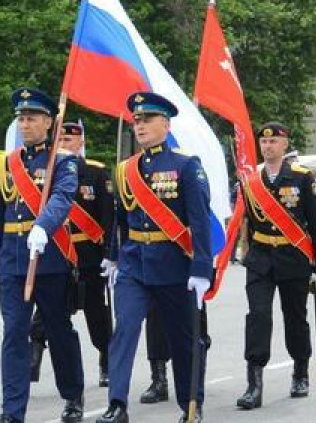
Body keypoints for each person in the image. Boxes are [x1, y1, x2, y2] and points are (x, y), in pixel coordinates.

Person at [97, 92, 211, 423]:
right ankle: (117, 404)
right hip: (134, 264)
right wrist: (113, 257)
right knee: (124, 330)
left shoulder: (186, 166)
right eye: (136, 120)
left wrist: (202, 269)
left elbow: (200, 221)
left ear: (166, 123)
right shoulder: (124, 170)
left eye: (147, 120)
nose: (140, 125)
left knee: (183, 338)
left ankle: (191, 404)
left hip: (175, 265)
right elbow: (121, 219)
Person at [0, 89, 83, 423]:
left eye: (32, 118)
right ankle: (12, 410)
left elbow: (62, 197)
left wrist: (43, 226)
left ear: (49, 122)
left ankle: (73, 395)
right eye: (21, 118)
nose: (25, 124)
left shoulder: (62, 161)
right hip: (13, 260)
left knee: (58, 329)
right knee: (14, 332)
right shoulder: (9, 163)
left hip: (49, 260)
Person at [235, 122, 316, 409]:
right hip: (261, 259)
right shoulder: (251, 180)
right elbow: (249, 222)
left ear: (285, 145)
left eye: (274, 142)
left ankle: (300, 372)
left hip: (293, 258)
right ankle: (254, 384)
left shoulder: (302, 178)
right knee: (258, 317)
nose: (268, 147)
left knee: (295, 318)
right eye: (264, 143)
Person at [29, 121, 114, 390]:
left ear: (80, 143)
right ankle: (34, 359)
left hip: (87, 253)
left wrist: (110, 254)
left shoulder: (96, 174)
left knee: (95, 311)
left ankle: (106, 357)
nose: (64, 144)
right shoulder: (46, 170)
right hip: (56, 251)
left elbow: (108, 217)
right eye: (60, 140)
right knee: (45, 311)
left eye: (69, 140)